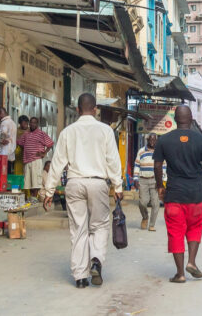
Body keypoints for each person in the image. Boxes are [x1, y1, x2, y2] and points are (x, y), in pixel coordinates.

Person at [42, 93, 124, 289]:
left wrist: (49, 191)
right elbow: (113, 160)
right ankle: (96, 260)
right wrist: (118, 186)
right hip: (97, 183)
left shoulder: (68, 132)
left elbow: (57, 162)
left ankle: (80, 277)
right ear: (95, 109)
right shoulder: (105, 131)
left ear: (78, 110)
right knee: (100, 225)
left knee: (78, 229)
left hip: (74, 183)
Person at [154, 106, 202, 284]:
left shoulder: (164, 140)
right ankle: (191, 261)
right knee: (195, 228)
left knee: (175, 232)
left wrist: (160, 186)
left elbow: (158, 166)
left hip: (174, 194)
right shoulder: (201, 140)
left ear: (175, 119)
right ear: (191, 119)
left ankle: (180, 274)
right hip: (196, 194)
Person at [17, 116, 53, 198]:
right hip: (27, 160)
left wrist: (44, 153)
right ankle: (31, 197)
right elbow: (20, 143)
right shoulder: (26, 134)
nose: (32, 124)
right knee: (28, 181)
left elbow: (50, 144)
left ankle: (34, 197)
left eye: (34, 122)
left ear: (37, 124)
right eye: (31, 122)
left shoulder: (41, 133)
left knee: (36, 180)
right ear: (29, 123)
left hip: (36, 160)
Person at [134, 134, 160, 231]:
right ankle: (145, 217)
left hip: (155, 180)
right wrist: (135, 179)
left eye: (154, 140)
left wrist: (161, 181)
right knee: (142, 203)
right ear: (148, 140)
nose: (152, 142)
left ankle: (152, 225)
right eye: (151, 140)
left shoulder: (159, 151)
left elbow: (163, 166)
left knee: (155, 203)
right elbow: (136, 165)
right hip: (143, 180)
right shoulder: (141, 151)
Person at [0, 107, 18, 173]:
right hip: (11, 151)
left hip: (4, 151)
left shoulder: (4, 123)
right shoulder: (13, 122)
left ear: (0, 114)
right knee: (8, 172)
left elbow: (2, 134)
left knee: (3, 173)